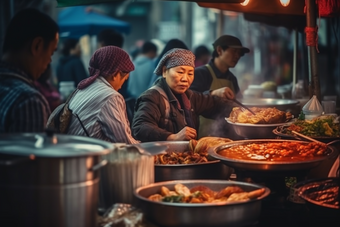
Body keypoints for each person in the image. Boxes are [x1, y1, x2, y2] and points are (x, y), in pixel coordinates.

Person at [132, 48, 236, 142]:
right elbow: (139, 127)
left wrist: (240, 112)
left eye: (190, 73)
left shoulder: (189, 96)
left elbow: (214, 104)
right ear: (164, 71)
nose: (185, 79)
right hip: (163, 159)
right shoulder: (153, 97)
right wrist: (172, 137)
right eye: (180, 72)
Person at [0, 8, 59, 133]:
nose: (50, 61)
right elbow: (33, 152)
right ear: (37, 45)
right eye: (51, 53)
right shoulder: (28, 101)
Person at [65, 46, 139, 144]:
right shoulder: (110, 96)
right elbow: (124, 141)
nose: (121, 86)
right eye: (124, 80)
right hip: (86, 155)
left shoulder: (84, 88)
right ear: (115, 74)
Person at [190, 35, 250, 139]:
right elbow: (189, 99)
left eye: (239, 53)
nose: (237, 56)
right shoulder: (201, 73)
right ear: (219, 50)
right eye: (234, 51)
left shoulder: (232, 78)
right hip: (206, 136)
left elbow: (238, 105)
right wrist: (213, 93)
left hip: (230, 137)